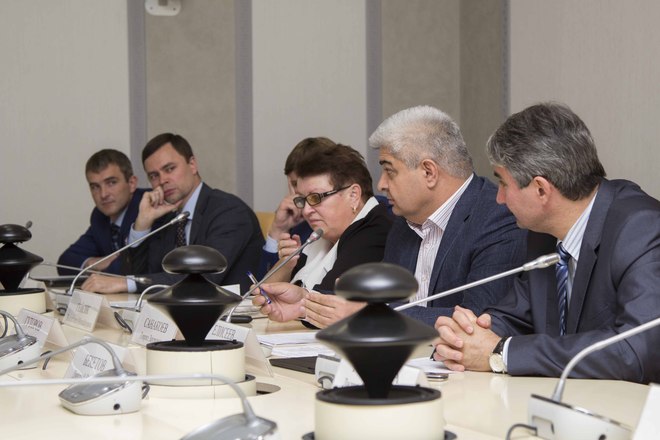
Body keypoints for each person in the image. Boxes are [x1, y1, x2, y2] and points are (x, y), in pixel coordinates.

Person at [433, 102, 660, 383]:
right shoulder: (543, 234)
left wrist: (502, 352)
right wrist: (466, 337)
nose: (499, 199)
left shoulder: (641, 229)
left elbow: (636, 352)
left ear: (541, 189)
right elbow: (516, 315)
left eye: (503, 184)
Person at [255, 106, 526, 328]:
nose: (381, 185)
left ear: (429, 172)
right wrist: (304, 303)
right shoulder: (403, 224)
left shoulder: (496, 218)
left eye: (390, 171)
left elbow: (478, 320)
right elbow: (366, 303)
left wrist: (371, 316)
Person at [82, 133, 264, 293]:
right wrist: (142, 224)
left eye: (169, 169)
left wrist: (128, 283)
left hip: (234, 315)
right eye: (154, 176)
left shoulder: (228, 211)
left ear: (192, 164)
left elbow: (203, 278)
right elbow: (141, 274)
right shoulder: (168, 218)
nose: (163, 180)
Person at [253, 142, 392, 325]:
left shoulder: (375, 228)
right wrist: (287, 264)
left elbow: (328, 302)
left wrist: (300, 304)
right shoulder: (324, 231)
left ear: (353, 195)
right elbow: (263, 295)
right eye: (303, 200)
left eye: (316, 198)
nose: (306, 211)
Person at [58, 149, 146, 275]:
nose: (103, 194)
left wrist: (106, 267)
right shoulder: (100, 217)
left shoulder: (148, 208)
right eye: (95, 187)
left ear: (132, 183)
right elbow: (65, 262)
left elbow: (134, 266)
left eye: (111, 183)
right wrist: (92, 263)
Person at [257, 137, 335, 278]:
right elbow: (263, 283)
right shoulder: (295, 224)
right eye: (294, 184)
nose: (300, 193)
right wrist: (278, 229)